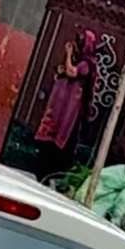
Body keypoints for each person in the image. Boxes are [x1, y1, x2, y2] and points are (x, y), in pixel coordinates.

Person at [35, 30, 99, 181]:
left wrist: (68, 54)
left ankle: (56, 173)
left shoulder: (87, 64)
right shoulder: (79, 60)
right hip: (60, 108)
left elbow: (72, 72)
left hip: (71, 111)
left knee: (63, 141)